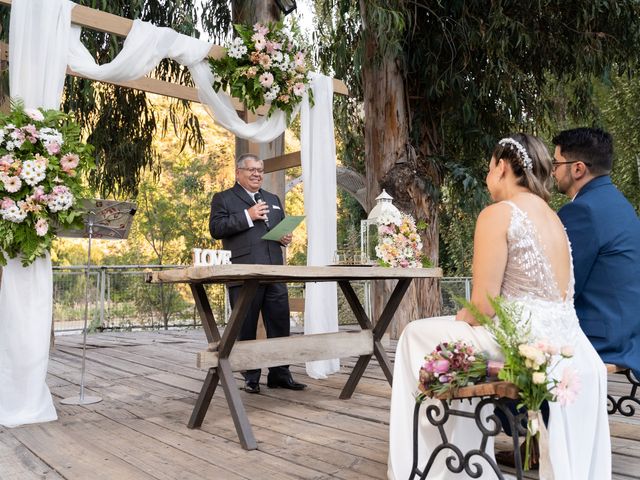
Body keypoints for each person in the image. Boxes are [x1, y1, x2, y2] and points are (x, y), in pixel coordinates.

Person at [387, 134, 611, 479]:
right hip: (566, 341)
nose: (487, 177)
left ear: (503, 167)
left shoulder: (497, 214)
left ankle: (428, 468)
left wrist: (460, 315)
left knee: (413, 336)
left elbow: (482, 308)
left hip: (519, 339)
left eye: (489, 168)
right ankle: (462, 458)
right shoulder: (554, 217)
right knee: (445, 340)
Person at [209, 153, 306, 394]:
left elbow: (276, 229)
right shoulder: (224, 198)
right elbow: (216, 229)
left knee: (280, 324)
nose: (256, 174)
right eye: (251, 170)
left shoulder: (272, 199)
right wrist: (247, 216)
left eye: (260, 170)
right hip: (244, 273)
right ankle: (250, 377)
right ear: (238, 172)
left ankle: (280, 374)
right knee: (246, 326)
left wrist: (285, 238)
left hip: (274, 271)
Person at [553, 128, 640, 378]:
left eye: (556, 163)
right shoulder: (618, 203)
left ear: (578, 168)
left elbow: (564, 285)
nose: (553, 171)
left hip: (603, 339)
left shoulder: (582, 211)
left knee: (514, 358)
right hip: (630, 333)